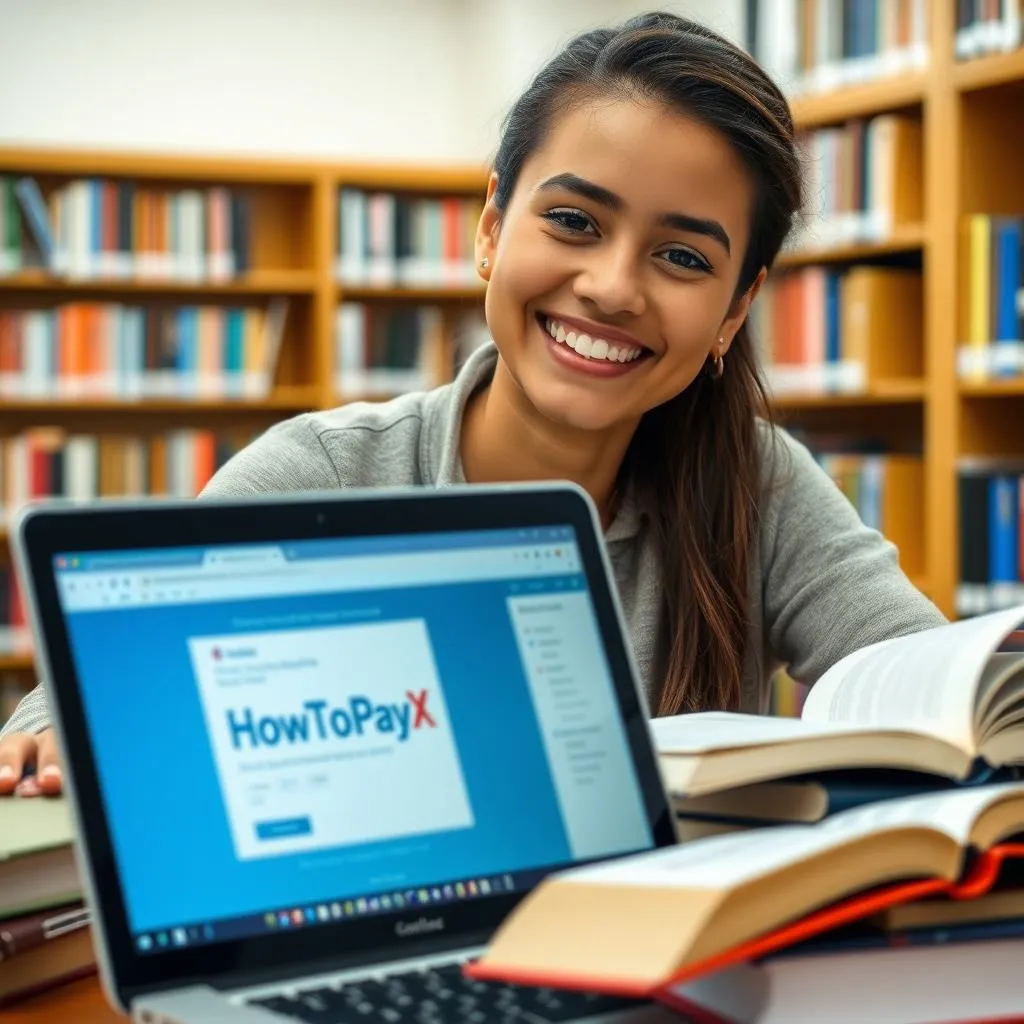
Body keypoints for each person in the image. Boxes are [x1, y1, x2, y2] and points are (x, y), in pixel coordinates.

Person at [0, 12, 946, 797]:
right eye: (574, 221)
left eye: (684, 257)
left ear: (737, 307)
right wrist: (50, 747)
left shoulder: (757, 482)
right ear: (491, 229)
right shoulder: (328, 474)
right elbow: (81, 704)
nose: (613, 287)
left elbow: (939, 688)